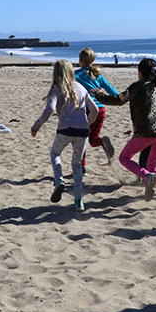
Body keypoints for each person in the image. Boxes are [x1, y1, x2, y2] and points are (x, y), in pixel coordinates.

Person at [93, 58, 156, 211]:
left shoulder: (137, 86)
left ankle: (146, 177)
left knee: (124, 158)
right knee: (153, 167)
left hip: (146, 131)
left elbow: (119, 100)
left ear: (140, 72)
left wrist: (98, 95)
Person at [32, 60, 99, 212]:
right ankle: (78, 201)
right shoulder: (81, 87)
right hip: (82, 132)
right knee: (76, 165)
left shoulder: (57, 89)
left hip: (64, 131)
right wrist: (87, 124)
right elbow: (94, 110)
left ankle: (59, 180)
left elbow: (48, 110)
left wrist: (36, 126)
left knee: (55, 153)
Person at [73, 48, 117, 170]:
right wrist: (119, 98)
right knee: (93, 139)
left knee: (81, 138)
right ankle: (102, 141)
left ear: (80, 60)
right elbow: (111, 90)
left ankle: (82, 167)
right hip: (101, 109)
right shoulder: (98, 75)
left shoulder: (76, 75)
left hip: (87, 109)